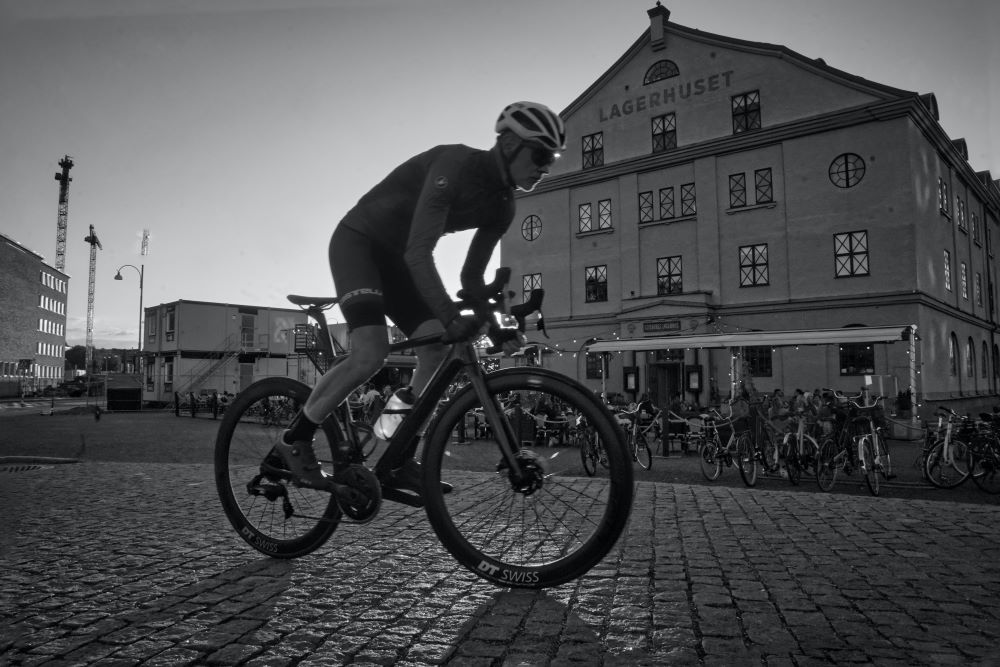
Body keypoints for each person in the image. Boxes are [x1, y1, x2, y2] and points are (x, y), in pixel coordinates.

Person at [272, 101, 566, 501]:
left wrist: (498, 321)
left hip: (398, 260)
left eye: (552, 159)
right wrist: (449, 316)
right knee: (371, 353)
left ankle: (397, 456)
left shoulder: (504, 204)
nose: (545, 166)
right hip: (360, 243)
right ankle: (296, 438)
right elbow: (419, 251)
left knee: (436, 351)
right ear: (511, 143)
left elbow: (471, 278)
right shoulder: (456, 165)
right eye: (542, 154)